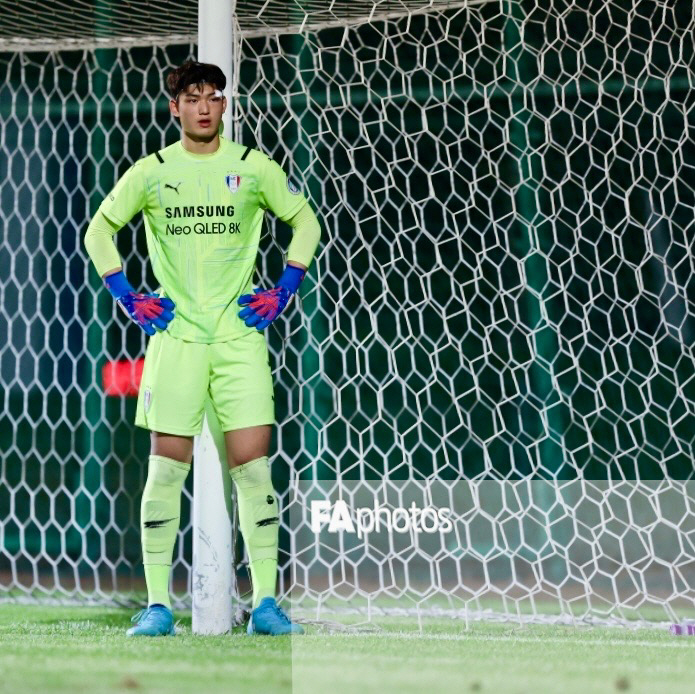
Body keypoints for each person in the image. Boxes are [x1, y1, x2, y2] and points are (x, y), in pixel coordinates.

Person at [84, 59, 321, 636]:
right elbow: (97, 232)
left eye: (213, 96)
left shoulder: (253, 167)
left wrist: (286, 288)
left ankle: (265, 604)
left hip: (240, 339)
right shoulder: (152, 171)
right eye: (192, 97)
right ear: (175, 107)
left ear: (223, 104)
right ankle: (160, 605)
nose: (204, 106)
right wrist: (128, 297)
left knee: (254, 470)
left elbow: (306, 221)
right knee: (165, 472)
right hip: (178, 338)